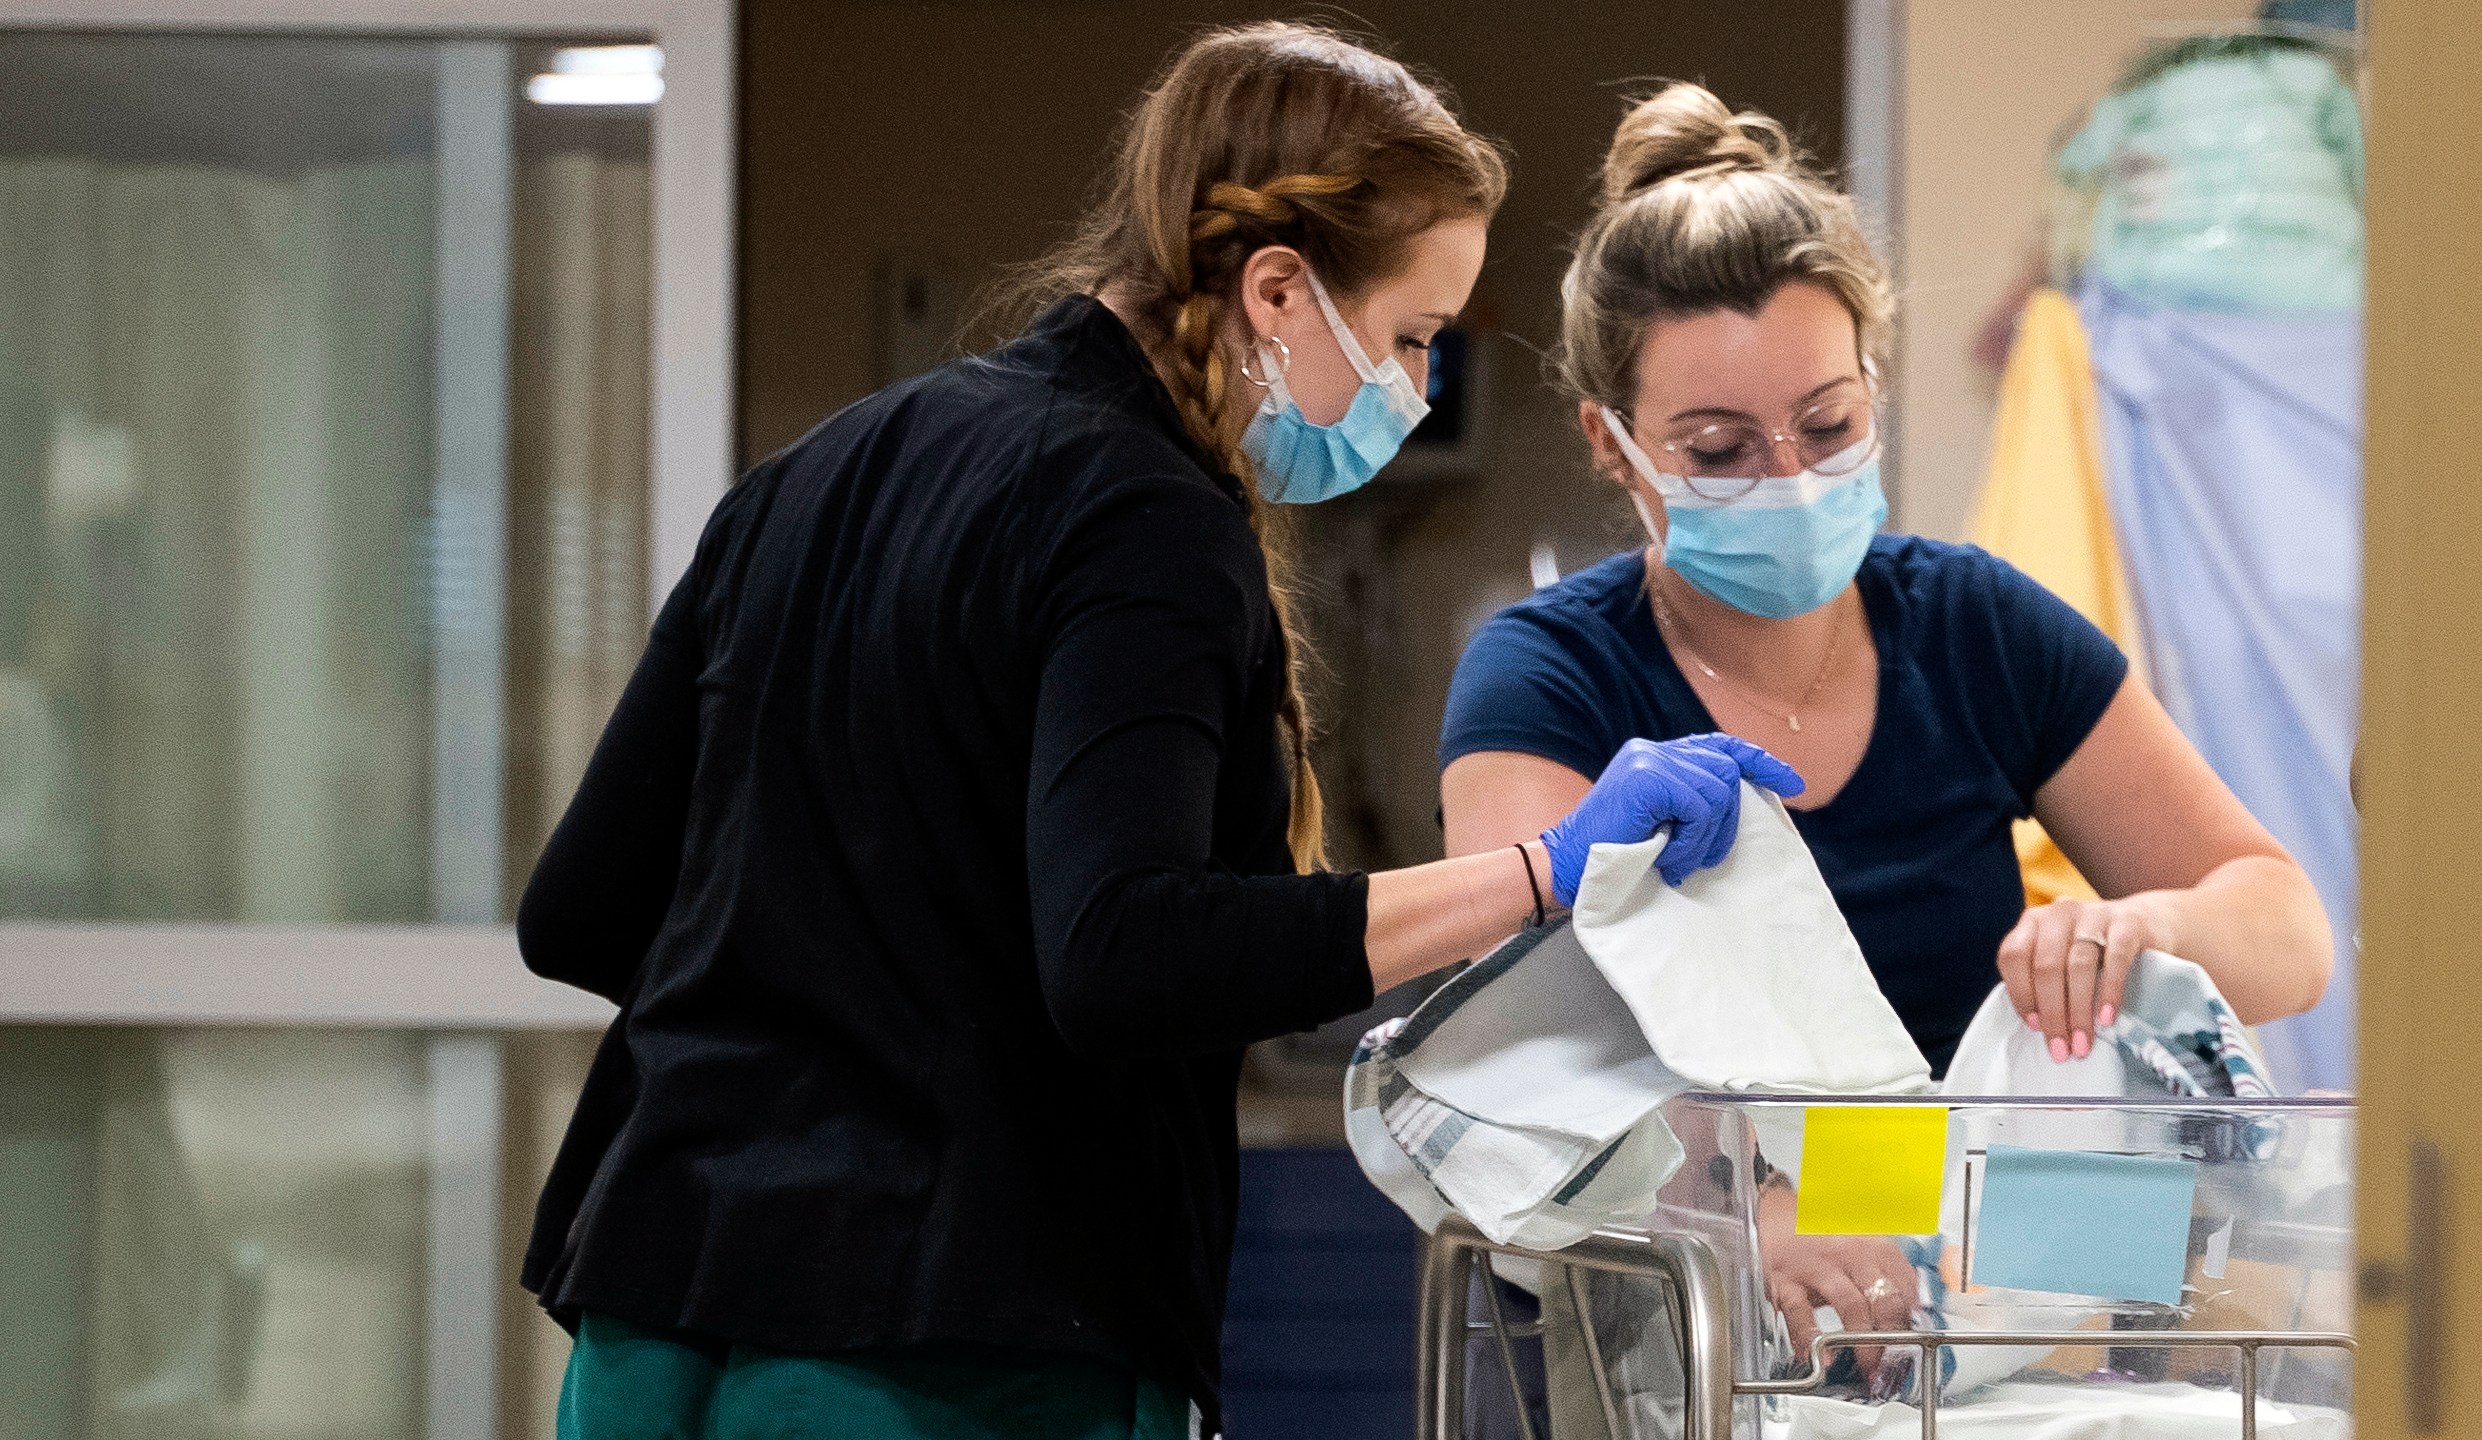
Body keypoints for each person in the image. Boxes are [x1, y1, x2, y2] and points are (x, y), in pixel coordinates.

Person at [514, 28, 1801, 1440]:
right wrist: (1545, 872)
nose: (1420, 389)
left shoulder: (820, 468)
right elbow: (1128, 954)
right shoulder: (1145, 521)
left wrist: (846, 1007)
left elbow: (581, 914)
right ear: (1274, 291)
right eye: (1411, 337)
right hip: (941, 1354)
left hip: (653, 1306)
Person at [1438, 83, 2333, 1374]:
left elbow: (2284, 930)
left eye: (1826, 425)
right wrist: (1742, 1195)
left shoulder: (1973, 629)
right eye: (1717, 449)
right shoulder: (1550, 677)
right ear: (1611, 444)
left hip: (1978, 1309)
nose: (1788, 480)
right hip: (1680, 1324)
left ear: (1874, 387)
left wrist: (2137, 930)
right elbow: (1534, 1029)